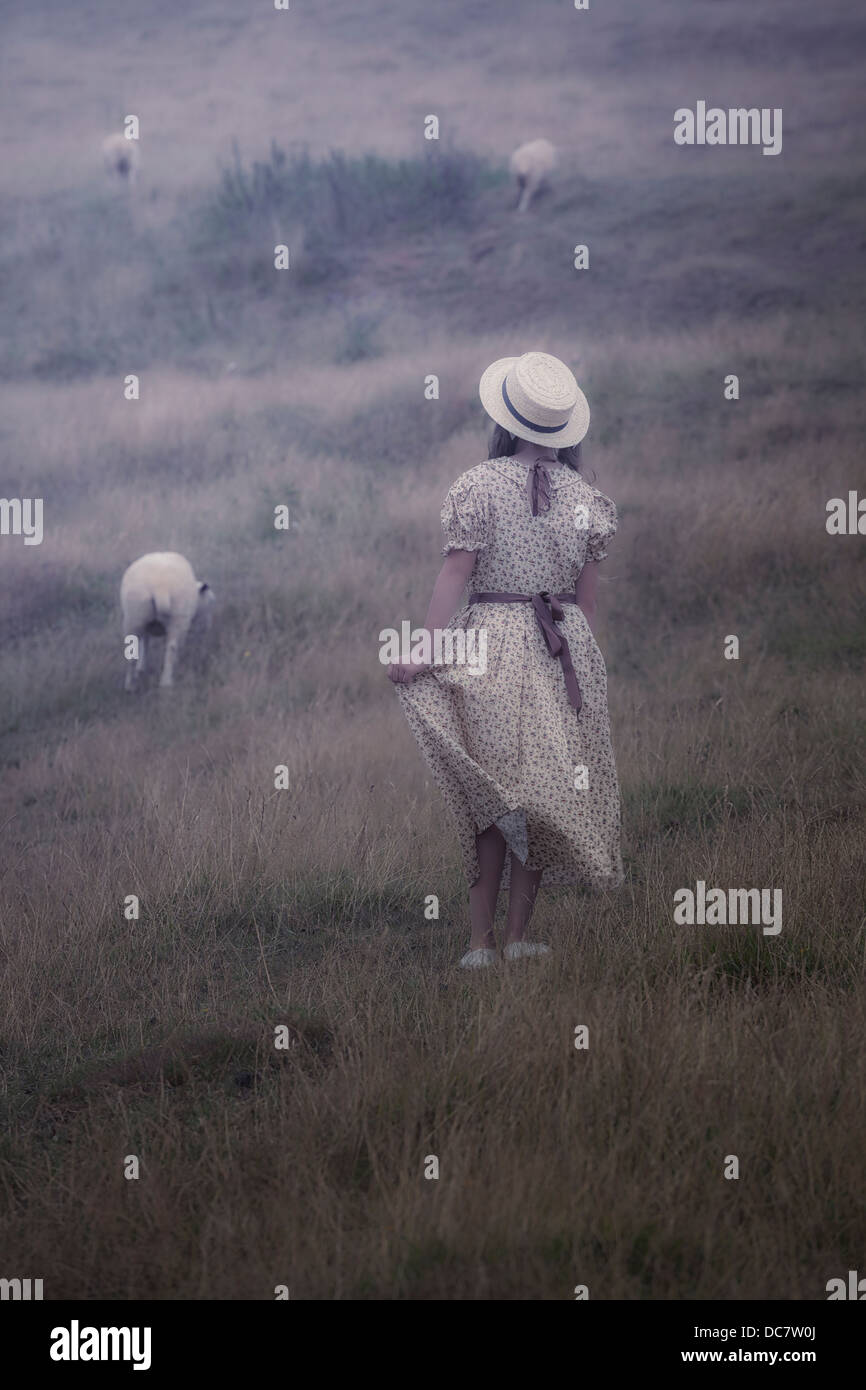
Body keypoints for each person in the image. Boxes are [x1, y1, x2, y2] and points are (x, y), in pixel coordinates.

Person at [388, 350, 623, 968]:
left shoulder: (478, 486)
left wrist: (428, 646)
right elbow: (586, 605)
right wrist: (576, 670)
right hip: (561, 651)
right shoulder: (588, 501)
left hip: (489, 645)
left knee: (490, 796)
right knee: (537, 795)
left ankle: (479, 944)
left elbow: (456, 573)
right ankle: (518, 937)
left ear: (508, 420)